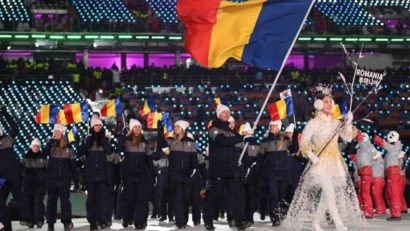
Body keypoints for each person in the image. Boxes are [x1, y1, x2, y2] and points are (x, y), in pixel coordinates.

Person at [283, 92, 366, 231]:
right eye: (326, 101)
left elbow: (347, 137)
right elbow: (303, 142)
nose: (329, 104)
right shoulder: (313, 123)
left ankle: (316, 222)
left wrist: (349, 122)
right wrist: (311, 155)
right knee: (329, 193)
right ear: (319, 104)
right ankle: (339, 223)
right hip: (320, 164)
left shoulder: (336, 122)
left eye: (330, 101)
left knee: (327, 196)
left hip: (335, 163)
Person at [202, 104, 252, 230]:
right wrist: (241, 138)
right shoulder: (213, 129)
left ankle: (240, 222)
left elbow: (235, 147)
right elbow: (222, 141)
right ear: (218, 114)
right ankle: (208, 220)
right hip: (218, 169)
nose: (226, 114)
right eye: (224, 112)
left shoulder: (232, 132)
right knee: (214, 196)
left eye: (228, 112)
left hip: (231, 169)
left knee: (237, 196)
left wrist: (245, 140)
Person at [156, 120, 198, 229]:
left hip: (187, 175)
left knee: (186, 199)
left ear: (183, 128)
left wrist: (193, 172)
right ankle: (180, 222)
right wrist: (160, 131)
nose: (175, 128)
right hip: (174, 175)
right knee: (177, 198)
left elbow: (194, 160)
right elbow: (161, 144)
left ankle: (183, 220)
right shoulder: (170, 141)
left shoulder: (191, 142)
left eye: (177, 126)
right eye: (175, 126)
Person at [118, 119, 155, 230]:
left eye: (139, 127)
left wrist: (153, 174)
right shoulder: (126, 141)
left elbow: (149, 160)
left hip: (142, 175)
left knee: (141, 199)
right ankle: (127, 217)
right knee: (130, 199)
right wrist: (122, 136)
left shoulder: (145, 143)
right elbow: (118, 148)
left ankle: (139, 222)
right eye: (135, 127)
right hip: (128, 175)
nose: (137, 129)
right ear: (131, 129)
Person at [79, 115, 113, 230]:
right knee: (91, 199)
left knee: (103, 199)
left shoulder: (105, 139)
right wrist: (86, 143)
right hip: (91, 174)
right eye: (96, 125)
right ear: (92, 126)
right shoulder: (87, 138)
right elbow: (80, 152)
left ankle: (103, 220)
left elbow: (109, 151)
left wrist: (104, 140)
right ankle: (93, 222)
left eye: (99, 125)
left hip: (103, 174)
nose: (98, 127)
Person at [0, 107, 31, 231]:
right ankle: (5, 225)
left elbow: (15, 128)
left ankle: (26, 218)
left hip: (13, 174)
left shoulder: (7, 140)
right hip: (2, 178)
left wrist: (6, 114)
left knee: (19, 195)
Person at [258, 120, 291, 226]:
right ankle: (275, 217)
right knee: (273, 195)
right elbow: (261, 158)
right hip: (270, 172)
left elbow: (295, 147)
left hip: (283, 172)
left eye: (274, 125)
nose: (272, 127)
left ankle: (282, 215)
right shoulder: (265, 141)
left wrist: (293, 131)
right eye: (271, 125)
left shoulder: (286, 140)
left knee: (282, 195)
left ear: (279, 127)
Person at [44, 124, 76, 231]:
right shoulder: (51, 146)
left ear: (62, 133)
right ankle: (50, 224)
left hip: (64, 179)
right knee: (51, 201)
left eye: (59, 132)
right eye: (55, 132)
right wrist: (49, 143)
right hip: (52, 178)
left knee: (65, 202)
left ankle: (67, 222)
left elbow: (73, 166)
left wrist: (76, 180)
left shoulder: (68, 148)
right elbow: (43, 155)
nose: (56, 134)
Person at [374, 131, 403, 221]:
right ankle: (396, 213)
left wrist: (375, 137)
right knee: (391, 193)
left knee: (392, 193)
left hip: (392, 172)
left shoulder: (393, 148)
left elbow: (383, 144)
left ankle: (396, 214)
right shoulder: (395, 148)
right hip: (392, 172)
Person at [21, 138, 47, 228]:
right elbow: (20, 170)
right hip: (28, 185)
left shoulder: (43, 158)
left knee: (38, 203)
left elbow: (48, 170)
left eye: (37, 146)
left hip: (40, 185)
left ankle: (39, 220)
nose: (36, 148)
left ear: (39, 147)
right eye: (34, 146)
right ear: (31, 147)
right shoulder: (25, 158)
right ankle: (30, 221)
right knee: (29, 203)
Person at [237, 122, 260, 226]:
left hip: (248, 175)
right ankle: (247, 218)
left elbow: (255, 160)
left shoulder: (250, 144)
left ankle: (248, 218)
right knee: (248, 197)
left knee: (247, 197)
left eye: (245, 132)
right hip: (247, 175)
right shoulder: (242, 144)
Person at [356, 131, 379, 219]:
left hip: (366, 171)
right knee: (363, 192)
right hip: (364, 171)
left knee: (365, 193)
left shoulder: (365, 146)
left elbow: (360, 140)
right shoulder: (365, 147)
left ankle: (368, 212)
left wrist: (357, 132)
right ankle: (366, 211)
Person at [371, 148, 386, 215]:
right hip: (380, 179)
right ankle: (382, 209)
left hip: (377, 179)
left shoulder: (377, 161)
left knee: (376, 195)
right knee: (379, 195)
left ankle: (380, 210)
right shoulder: (381, 160)